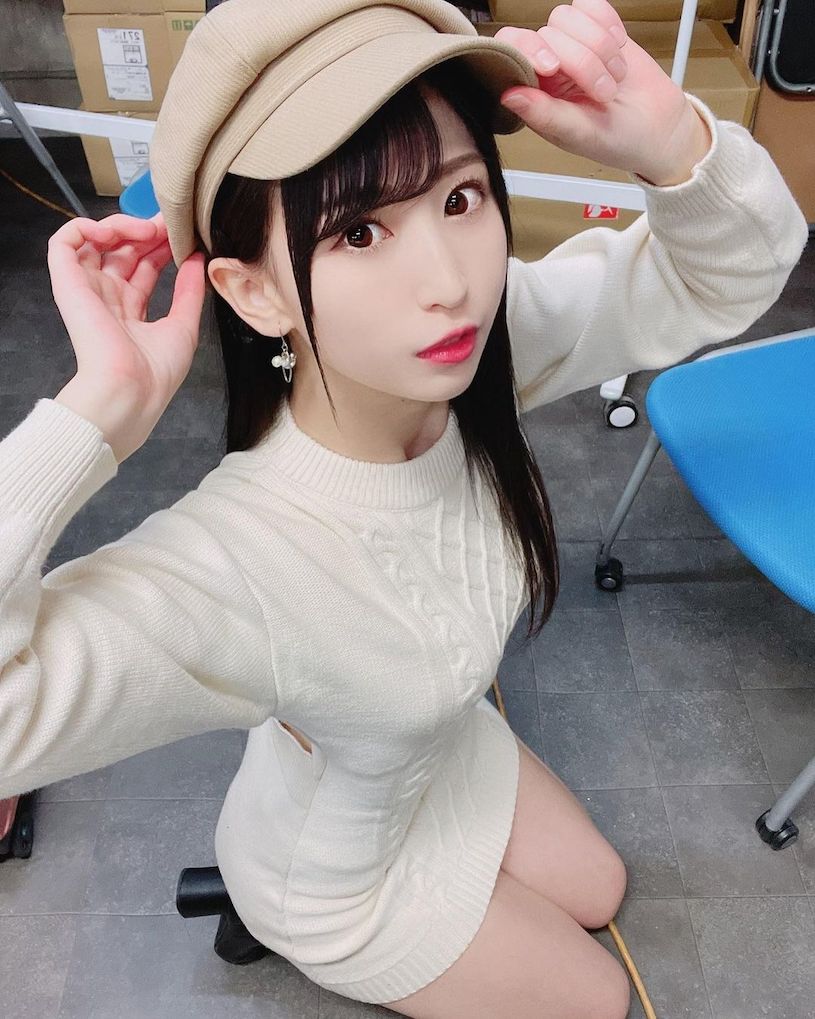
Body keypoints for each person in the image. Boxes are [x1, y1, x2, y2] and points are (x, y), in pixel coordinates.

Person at [0, 0, 808, 1016]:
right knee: (601, 997)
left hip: (432, 743)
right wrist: (92, 416)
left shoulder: (481, 354)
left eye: (459, 197)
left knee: (601, 886)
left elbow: (728, 273)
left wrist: (671, 146)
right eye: (360, 230)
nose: (449, 283)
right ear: (255, 293)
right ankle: (285, 911)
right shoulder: (242, 562)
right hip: (337, 876)